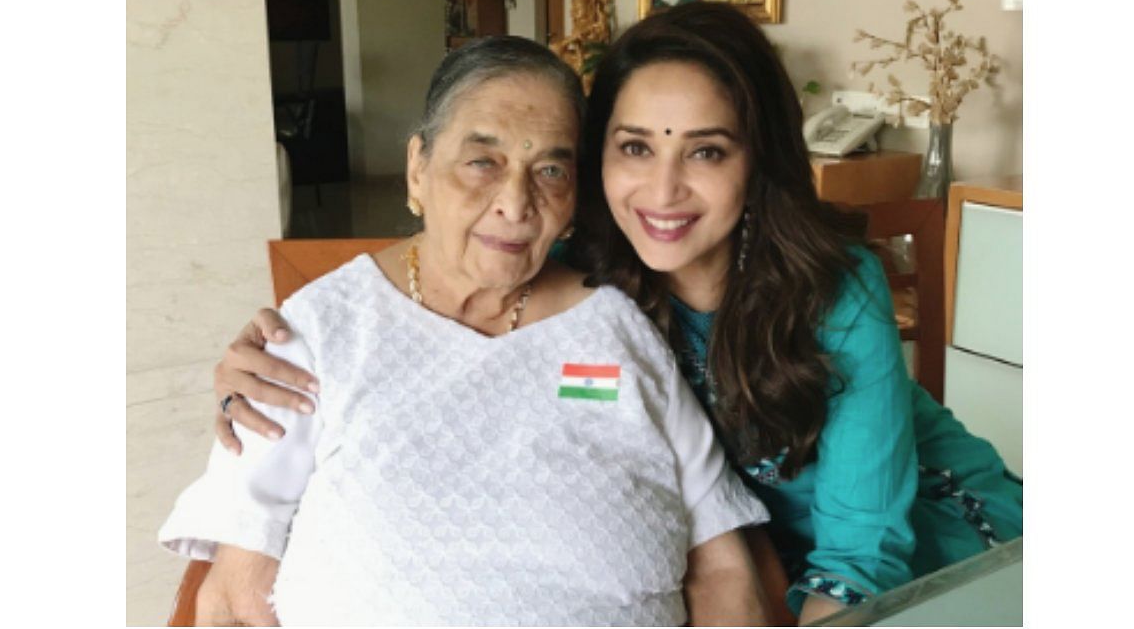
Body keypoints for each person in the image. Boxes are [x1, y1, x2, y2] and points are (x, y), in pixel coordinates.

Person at [213, 3, 1022, 624]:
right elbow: (462, 245)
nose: (663, 192)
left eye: (706, 151)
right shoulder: (589, 276)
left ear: (758, 159)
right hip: (756, 550)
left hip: (922, 548)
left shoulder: (834, 291)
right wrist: (288, 335)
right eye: (635, 147)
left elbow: (863, 550)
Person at [160, 35, 771, 626]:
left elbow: (722, 564)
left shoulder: (616, 327)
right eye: (483, 161)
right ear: (418, 168)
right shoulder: (321, 329)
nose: (515, 202)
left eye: (550, 169)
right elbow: (237, 589)